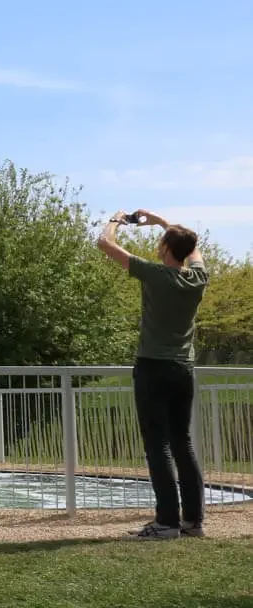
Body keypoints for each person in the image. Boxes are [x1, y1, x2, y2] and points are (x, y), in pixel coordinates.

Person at [98, 210, 211, 540]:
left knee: (157, 446)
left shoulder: (155, 274)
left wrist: (118, 220)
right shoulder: (197, 279)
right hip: (183, 370)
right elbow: (192, 251)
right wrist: (162, 223)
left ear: (164, 248)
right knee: (182, 444)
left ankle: (166, 522)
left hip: (152, 368)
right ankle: (193, 521)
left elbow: (105, 243)